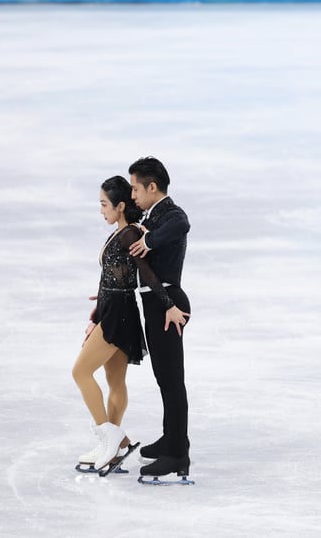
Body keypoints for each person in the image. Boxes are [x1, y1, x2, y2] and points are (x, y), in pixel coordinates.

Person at [71, 175, 173, 473]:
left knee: (80, 372)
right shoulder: (121, 233)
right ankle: (115, 445)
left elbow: (147, 272)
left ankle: (110, 436)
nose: (101, 210)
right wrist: (96, 312)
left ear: (120, 206)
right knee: (115, 381)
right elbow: (113, 278)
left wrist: (169, 304)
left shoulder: (128, 234)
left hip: (119, 312)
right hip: (114, 308)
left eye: (104, 204)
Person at [128, 157, 192, 479]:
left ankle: (178, 454)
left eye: (136, 189)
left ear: (153, 187)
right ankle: (172, 437)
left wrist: (148, 239)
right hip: (154, 302)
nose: (133, 196)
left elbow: (182, 225)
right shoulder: (151, 215)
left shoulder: (171, 214)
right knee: (164, 379)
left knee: (172, 381)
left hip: (169, 303)